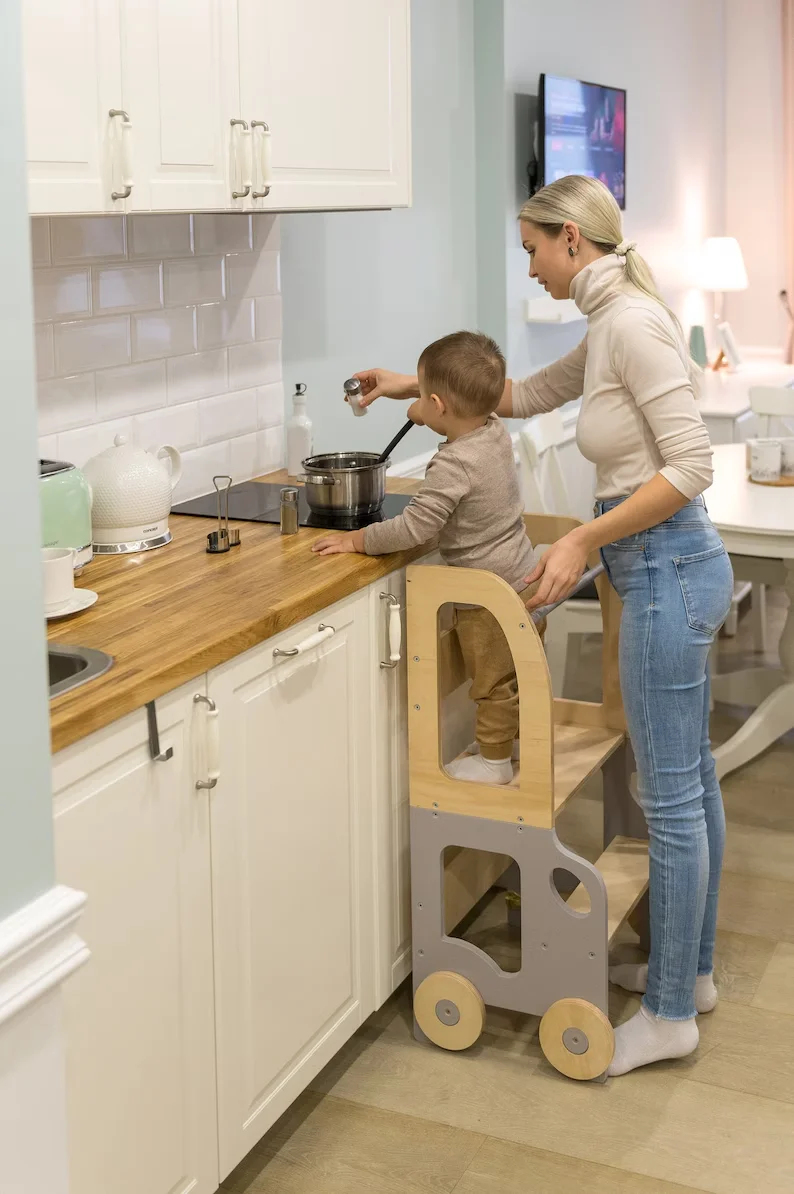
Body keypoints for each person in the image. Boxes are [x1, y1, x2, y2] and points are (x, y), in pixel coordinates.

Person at [349, 175, 734, 1079]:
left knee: (672, 801)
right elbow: (517, 397)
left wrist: (585, 542)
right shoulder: (609, 323)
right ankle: (694, 973)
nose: (528, 265)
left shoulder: (630, 326)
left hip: (668, 569)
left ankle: (672, 1012)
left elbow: (693, 464)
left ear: (570, 239)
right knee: (691, 787)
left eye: (530, 249)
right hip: (666, 570)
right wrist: (414, 382)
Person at [313, 329, 541, 786]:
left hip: (488, 598)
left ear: (439, 403)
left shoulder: (454, 464)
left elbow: (416, 526)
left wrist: (358, 541)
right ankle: (512, 747)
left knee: (493, 684)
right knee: (519, 678)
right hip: (524, 574)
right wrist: (426, 405)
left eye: (423, 392)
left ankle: (495, 762)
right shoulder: (494, 430)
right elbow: (456, 406)